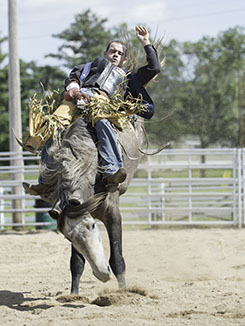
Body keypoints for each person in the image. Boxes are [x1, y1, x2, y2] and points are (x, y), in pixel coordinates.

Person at [23, 25, 161, 195]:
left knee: (102, 122)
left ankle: (112, 171)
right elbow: (72, 79)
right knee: (54, 126)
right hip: (77, 99)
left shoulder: (128, 77)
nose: (116, 54)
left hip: (104, 103)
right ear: (105, 53)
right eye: (113, 51)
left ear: (124, 60)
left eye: (120, 53)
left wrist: (145, 41)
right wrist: (75, 92)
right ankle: (45, 180)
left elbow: (154, 68)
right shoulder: (87, 68)